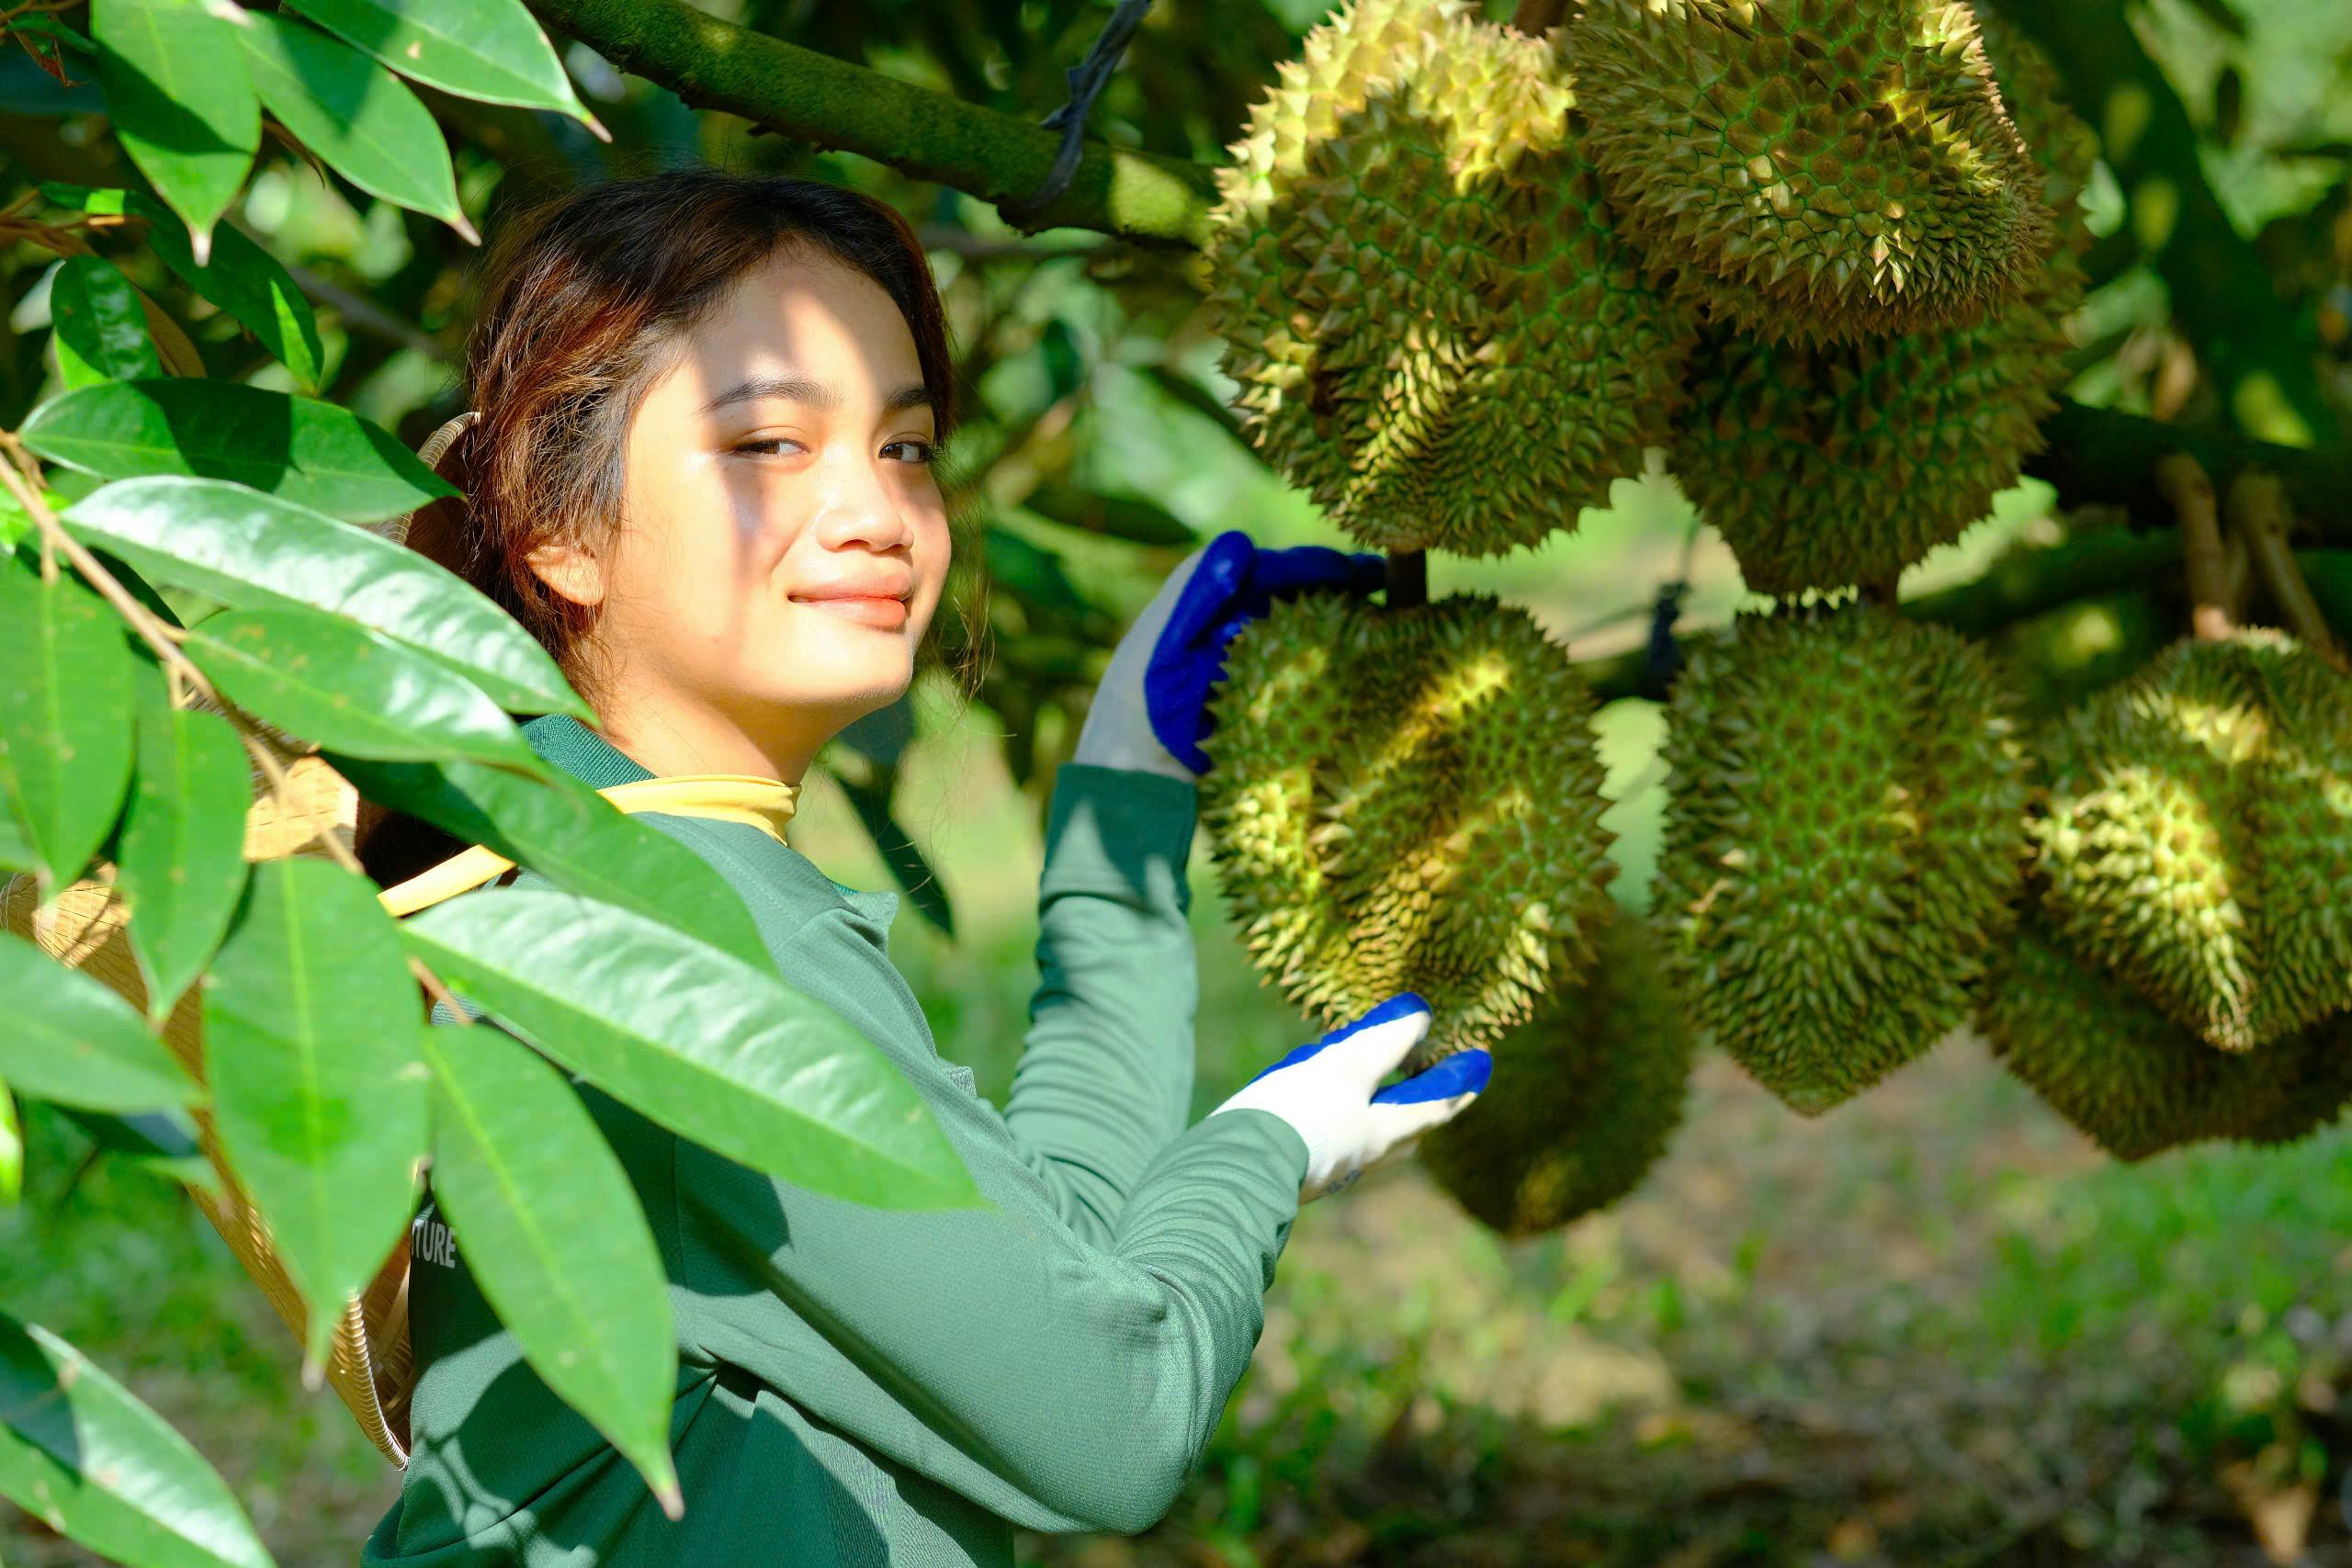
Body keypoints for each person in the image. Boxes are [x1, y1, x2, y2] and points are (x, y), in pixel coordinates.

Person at [359, 170, 1490, 1568]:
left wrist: (1120, 806)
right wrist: (1268, 1148)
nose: (877, 513)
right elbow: (1111, 1422)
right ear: (559, 537)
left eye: (904, 447)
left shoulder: (582, 865)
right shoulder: (696, 936)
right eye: (770, 443)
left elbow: (1032, 1276)